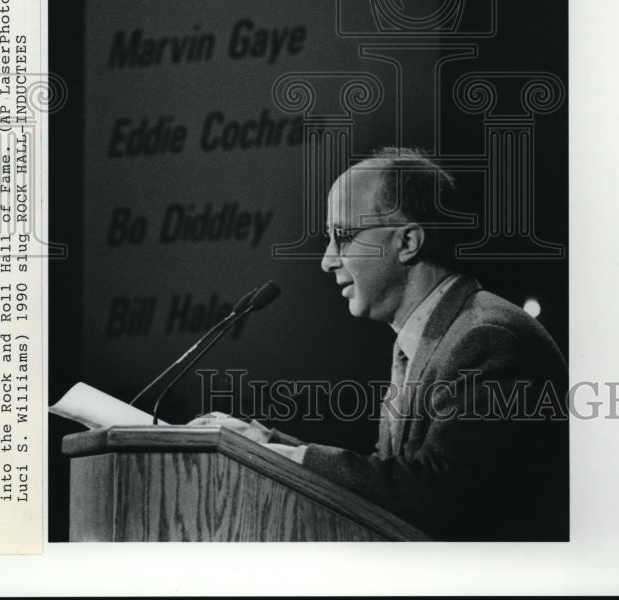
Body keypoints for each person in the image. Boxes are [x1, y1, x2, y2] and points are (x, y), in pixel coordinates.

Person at [190, 148, 569, 540]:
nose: (326, 260)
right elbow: (390, 479)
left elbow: (439, 493)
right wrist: (265, 442)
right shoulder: (428, 335)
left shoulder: (485, 337)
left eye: (343, 236)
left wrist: (279, 454)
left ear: (408, 242)